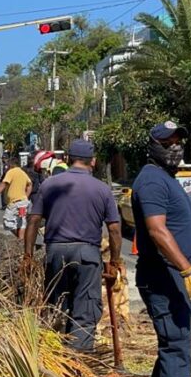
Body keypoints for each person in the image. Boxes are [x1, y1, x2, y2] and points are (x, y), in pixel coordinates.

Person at [132, 121, 191, 377]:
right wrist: (186, 268)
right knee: (176, 346)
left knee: (173, 345)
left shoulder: (164, 177)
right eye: (168, 144)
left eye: (178, 143)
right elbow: (157, 230)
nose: (175, 149)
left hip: (172, 275)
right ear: (153, 146)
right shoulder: (152, 180)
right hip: (163, 275)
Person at [24, 139, 123, 351]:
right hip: (87, 254)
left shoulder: (49, 184)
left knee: (57, 306)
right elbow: (114, 229)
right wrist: (115, 260)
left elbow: (33, 221)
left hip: (56, 252)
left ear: (68, 160)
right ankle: (79, 363)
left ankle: (54, 358)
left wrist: (28, 255)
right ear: (93, 162)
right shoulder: (102, 189)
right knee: (85, 310)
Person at [0, 157, 32, 239]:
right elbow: (30, 184)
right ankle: (21, 239)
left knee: (7, 222)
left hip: (14, 203)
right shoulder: (23, 173)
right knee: (21, 221)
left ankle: (20, 238)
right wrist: (26, 196)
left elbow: (4, 183)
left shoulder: (11, 171)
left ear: (11, 164)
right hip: (23, 202)